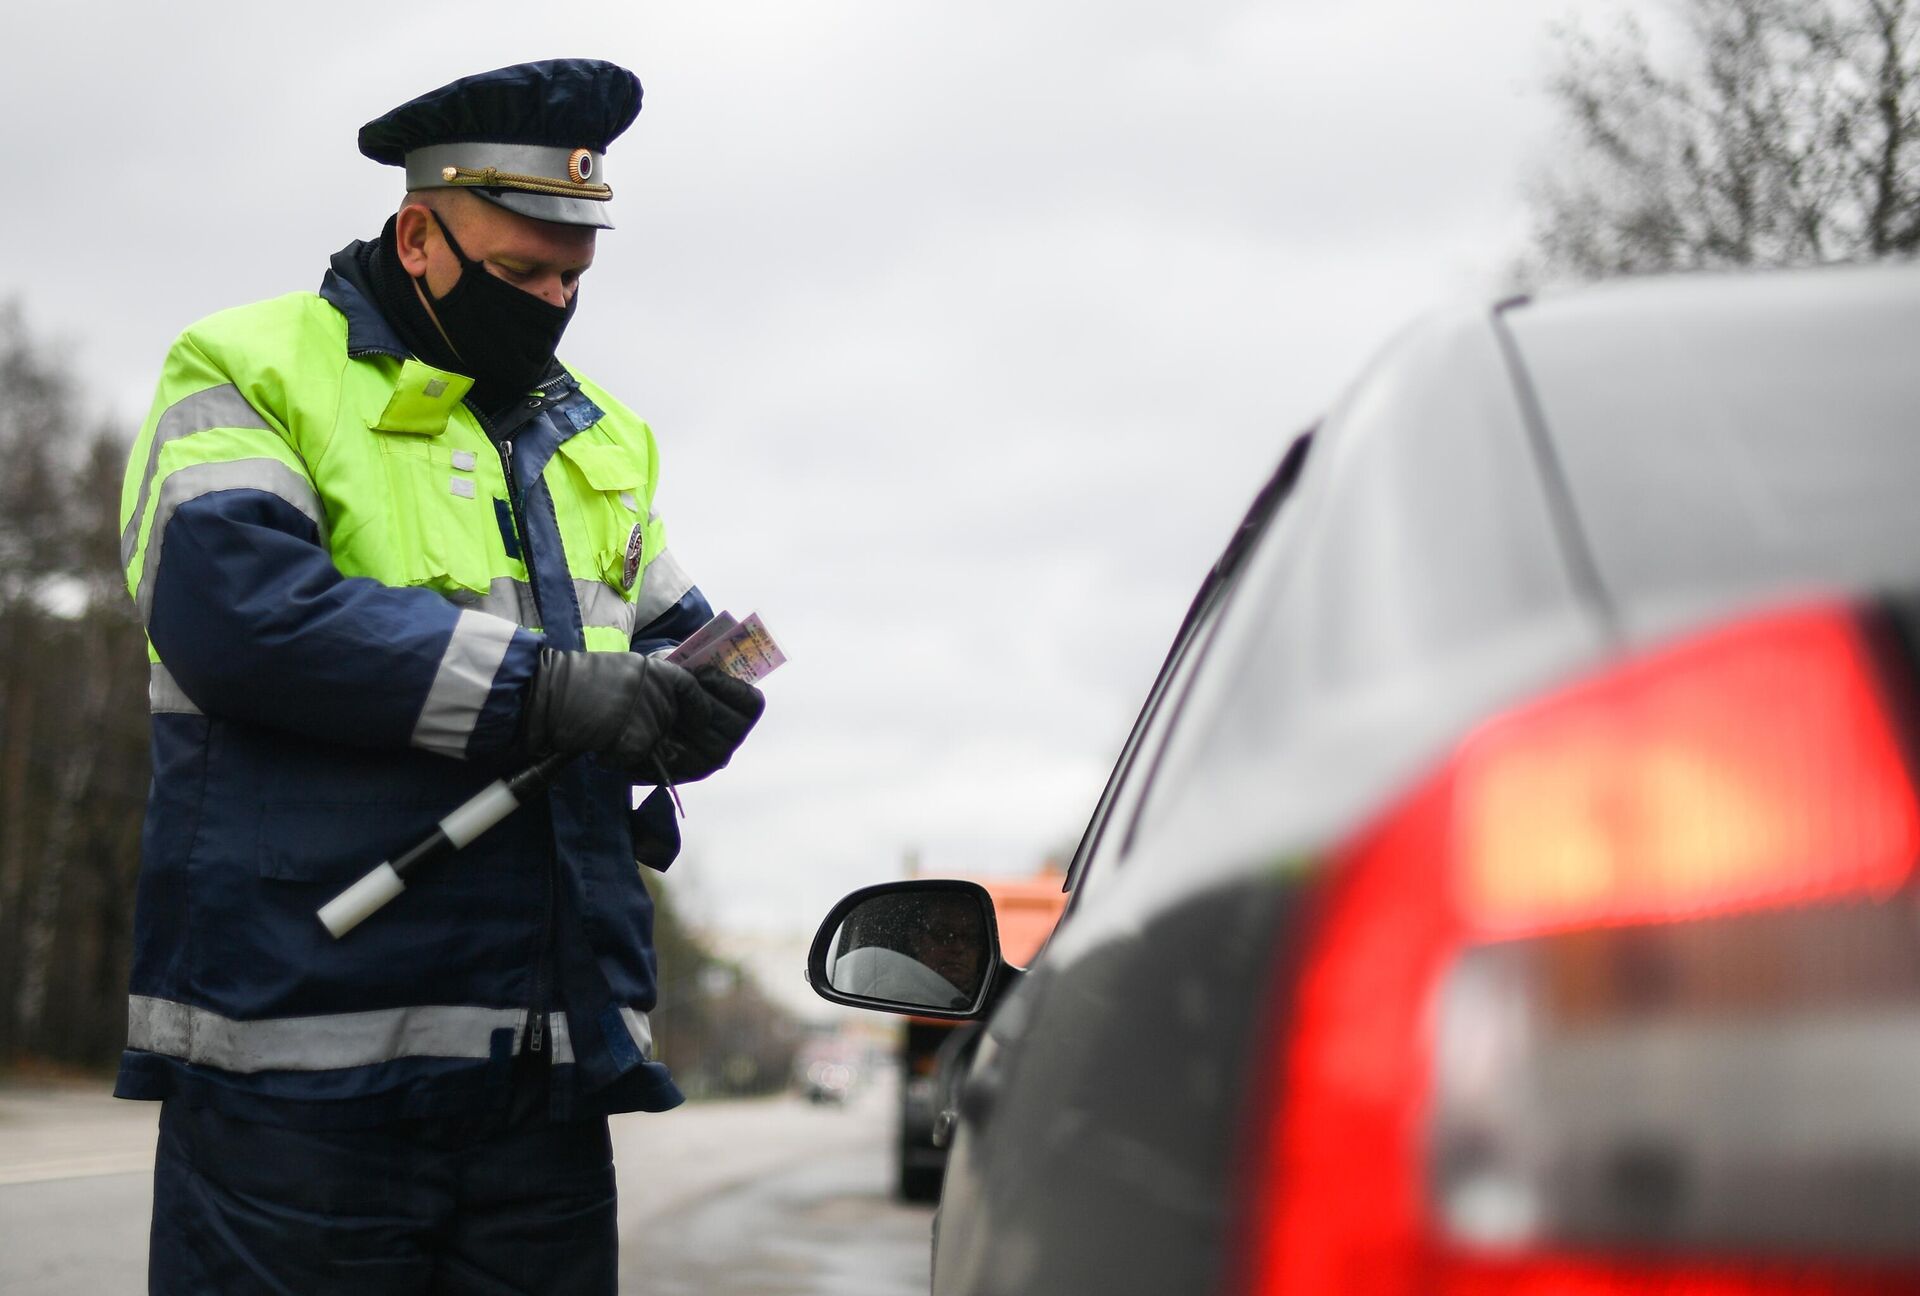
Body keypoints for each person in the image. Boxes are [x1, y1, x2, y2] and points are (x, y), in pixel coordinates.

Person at [114, 59, 762, 1294]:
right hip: (296, 1070)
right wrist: (555, 694)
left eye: (574, 277)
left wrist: (701, 706)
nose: (555, 304)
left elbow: (673, 631)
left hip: (546, 1079)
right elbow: (241, 618)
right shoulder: (249, 367)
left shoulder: (599, 435)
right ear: (419, 235)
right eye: (522, 273)